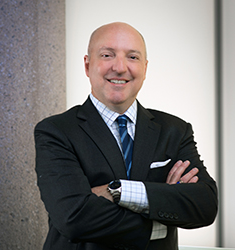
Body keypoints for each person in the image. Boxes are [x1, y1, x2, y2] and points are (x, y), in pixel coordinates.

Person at [34, 22, 218, 250]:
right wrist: (159, 219)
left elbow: (205, 205)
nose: (120, 67)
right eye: (107, 55)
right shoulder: (56, 131)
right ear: (87, 65)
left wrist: (118, 190)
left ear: (145, 68)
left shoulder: (175, 130)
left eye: (132, 57)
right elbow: (73, 218)